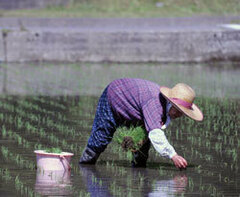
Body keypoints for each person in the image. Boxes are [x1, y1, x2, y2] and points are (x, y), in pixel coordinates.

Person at [79, 78, 203, 169]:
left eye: (182, 112)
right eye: (178, 110)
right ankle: (85, 166)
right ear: (171, 103)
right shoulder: (155, 104)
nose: (179, 115)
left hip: (134, 106)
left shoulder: (163, 107)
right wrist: (173, 155)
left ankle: (139, 169)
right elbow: (156, 134)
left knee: (143, 141)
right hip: (114, 96)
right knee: (101, 137)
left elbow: (152, 130)